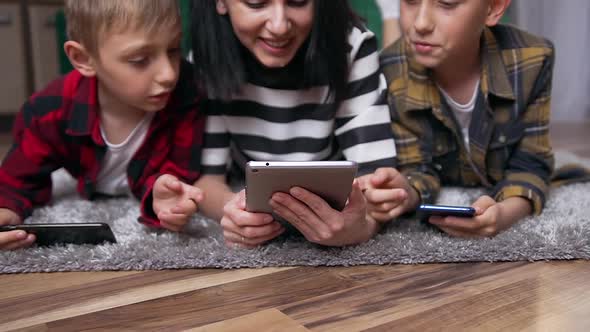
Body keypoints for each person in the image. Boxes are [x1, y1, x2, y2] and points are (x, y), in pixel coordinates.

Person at [0, 0, 206, 250]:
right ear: (83, 58)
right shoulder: (48, 111)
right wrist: (7, 210)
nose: (168, 74)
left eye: (173, 50)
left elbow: (181, 168)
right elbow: (16, 180)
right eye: (140, 60)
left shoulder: (188, 90)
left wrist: (164, 196)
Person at [191, 0, 398, 248]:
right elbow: (206, 179)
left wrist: (362, 227)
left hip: (337, 195)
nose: (279, 26)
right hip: (244, 187)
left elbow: (375, 179)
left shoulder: (352, 46)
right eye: (256, 4)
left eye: (298, 2)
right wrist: (232, 210)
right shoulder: (207, 55)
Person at [372, 0, 559, 237]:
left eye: (447, 3)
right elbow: (417, 168)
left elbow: (531, 163)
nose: (420, 23)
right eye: (410, 1)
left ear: (493, 8)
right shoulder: (389, 69)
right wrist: (405, 193)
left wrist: (504, 214)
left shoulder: (532, 58)